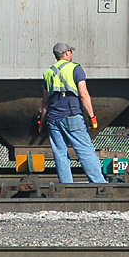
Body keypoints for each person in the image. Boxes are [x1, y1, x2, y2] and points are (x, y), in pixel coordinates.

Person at [40, 42, 106, 184]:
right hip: (72, 116)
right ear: (67, 52)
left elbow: (45, 102)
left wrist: (42, 121)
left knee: (60, 154)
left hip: (54, 119)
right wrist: (92, 117)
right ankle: (99, 184)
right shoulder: (76, 69)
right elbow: (83, 95)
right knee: (85, 151)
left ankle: (66, 187)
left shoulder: (48, 73)